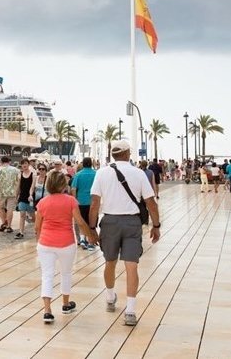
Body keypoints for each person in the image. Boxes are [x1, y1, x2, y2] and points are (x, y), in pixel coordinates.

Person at [89, 140, 161, 327]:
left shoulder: (102, 173)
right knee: (131, 266)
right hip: (132, 223)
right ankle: (130, 310)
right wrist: (156, 225)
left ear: (113, 154)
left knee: (110, 262)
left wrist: (91, 229)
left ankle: (110, 296)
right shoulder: (138, 174)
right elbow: (151, 202)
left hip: (110, 222)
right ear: (128, 153)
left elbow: (95, 203)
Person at [35, 170, 95, 324]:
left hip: (46, 243)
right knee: (66, 274)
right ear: (63, 184)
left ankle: (47, 310)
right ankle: (65, 304)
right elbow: (80, 222)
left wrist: (40, 240)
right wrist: (90, 235)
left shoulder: (42, 202)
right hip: (66, 243)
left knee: (47, 275)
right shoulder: (70, 201)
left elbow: (37, 227)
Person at [71, 157, 98, 251]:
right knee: (91, 222)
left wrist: (75, 200)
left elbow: (73, 188)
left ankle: (83, 239)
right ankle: (91, 243)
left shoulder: (78, 175)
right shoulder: (96, 174)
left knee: (82, 222)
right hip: (92, 202)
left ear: (83, 164)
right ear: (91, 164)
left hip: (80, 201)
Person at [0, 156, 20, 233]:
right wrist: (17, 192)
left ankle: (3, 223)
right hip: (12, 192)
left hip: (1, 192)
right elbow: (18, 182)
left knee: (1, 208)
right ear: (9, 161)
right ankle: (9, 226)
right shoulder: (16, 170)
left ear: (1, 162)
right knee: (10, 209)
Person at [15, 159, 35, 239]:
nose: (24, 165)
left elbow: (32, 186)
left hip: (30, 197)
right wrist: (16, 197)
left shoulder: (33, 174)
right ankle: (21, 232)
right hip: (22, 197)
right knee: (22, 215)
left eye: (26, 163)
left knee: (32, 215)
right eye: (23, 164)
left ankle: (37, 227)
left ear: (28, 164)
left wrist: (30, 195)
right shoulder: (20, 174)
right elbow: (18, 186)